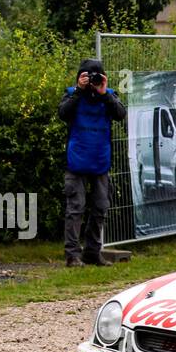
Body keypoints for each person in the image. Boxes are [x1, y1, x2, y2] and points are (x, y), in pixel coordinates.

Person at [58, 58, 126, 267]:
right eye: (87, 76)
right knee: (75, 208)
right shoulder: (73, 95)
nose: (92, 81)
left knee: (100, 208)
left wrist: (104, 93)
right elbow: (63, 113)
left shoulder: (109, 96)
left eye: (95, 76)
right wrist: (79, 90)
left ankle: (92, 252)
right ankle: (72, 255)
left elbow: (120, 114)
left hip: (100, 160)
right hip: (77, 160)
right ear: (80, 77)